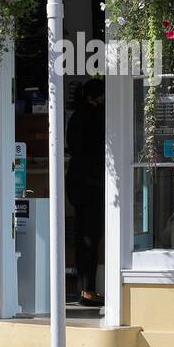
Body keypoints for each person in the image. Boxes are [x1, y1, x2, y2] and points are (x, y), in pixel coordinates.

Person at [66, 78, 106, 306]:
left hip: (77, 182)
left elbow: (73, 147)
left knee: (82, 238)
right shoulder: (95, 117)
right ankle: (88, 291)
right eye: (102, 96)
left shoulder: (76, 117)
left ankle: (84, 290)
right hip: (92, 184)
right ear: (93, 97)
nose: (104, 101)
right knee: (91, 237)